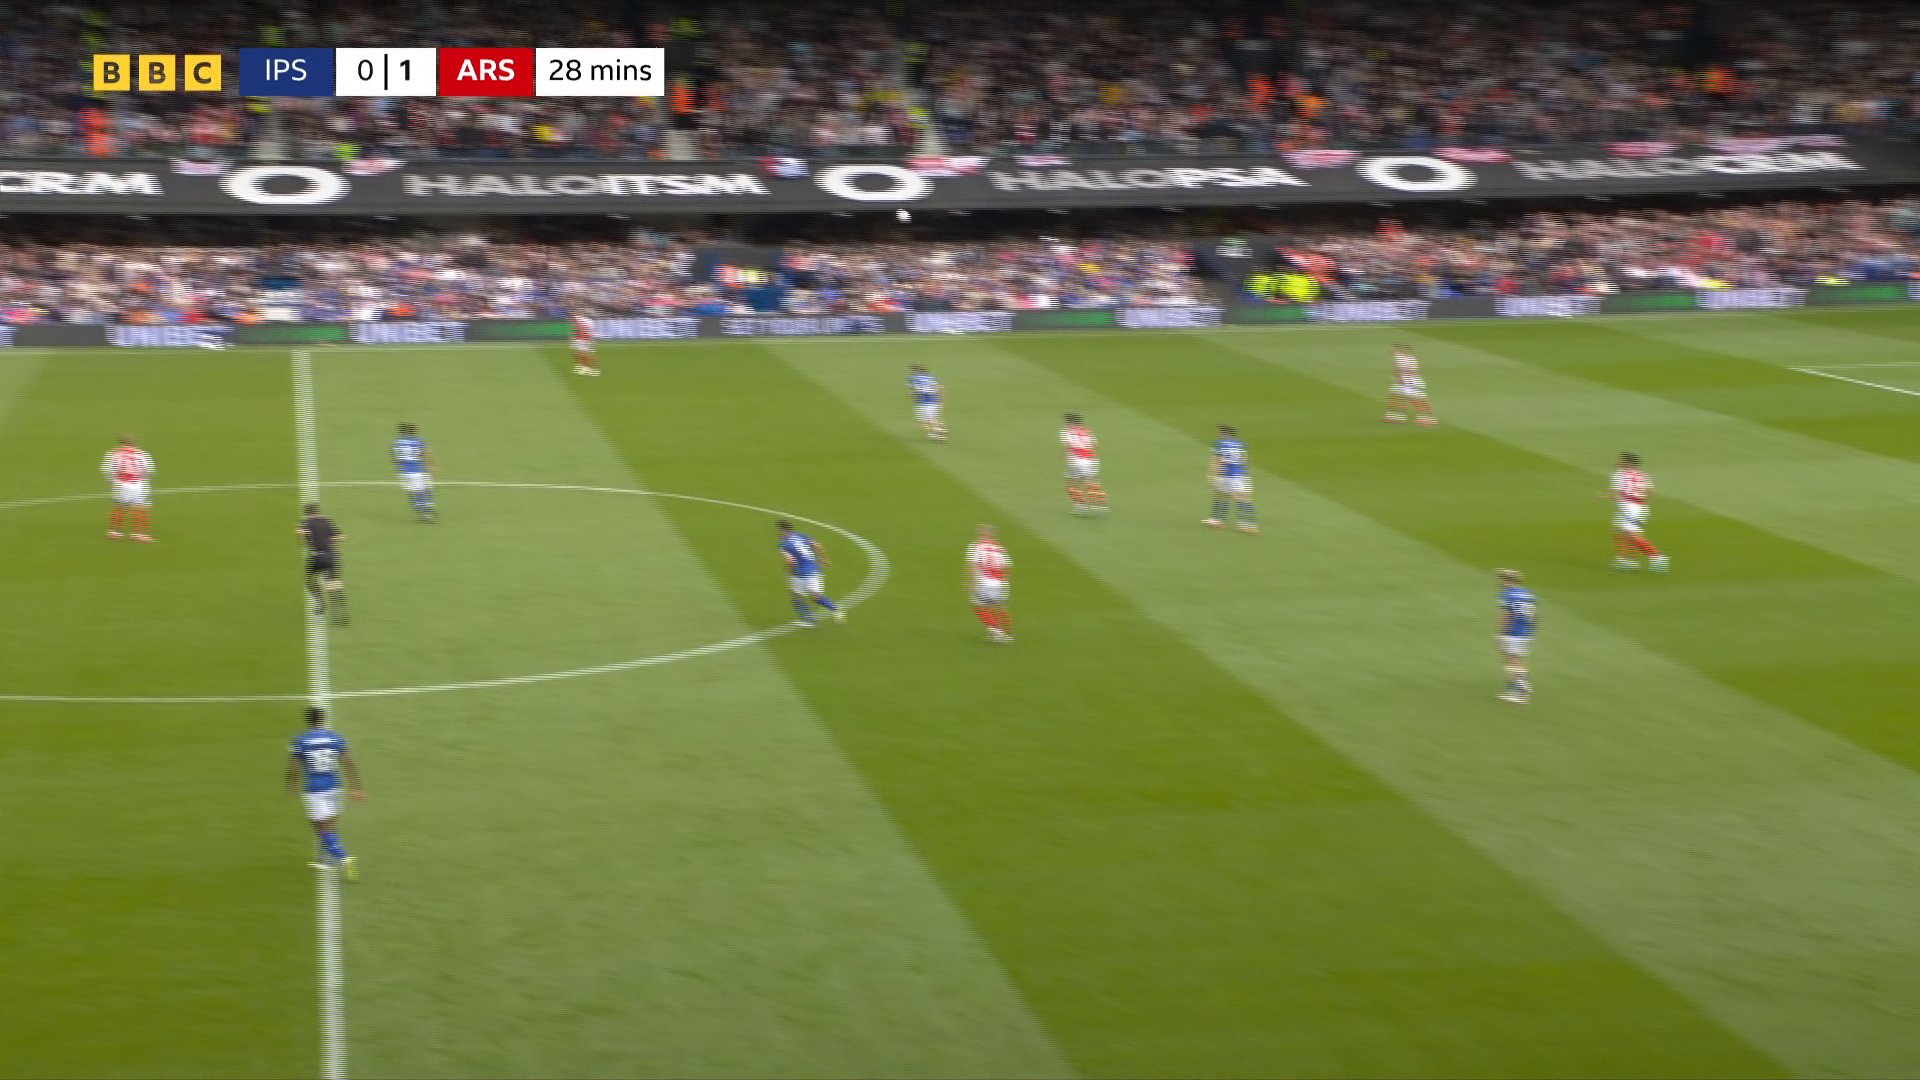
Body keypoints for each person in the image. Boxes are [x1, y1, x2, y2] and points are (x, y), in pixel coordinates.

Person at [287, 704, 363, 877]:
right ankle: (324, 861)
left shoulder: (301, 741)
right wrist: (357, 787)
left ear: (308, 721)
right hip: (335, 788)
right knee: (330, 826)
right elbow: (349, 762)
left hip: (315, 790)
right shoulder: (335, 738)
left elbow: (293, 766)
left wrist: (291, 785)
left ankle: (344, 858)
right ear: (324, 720)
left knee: (320, 827)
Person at [1607, 452, 1667, 571]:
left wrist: (1608, 497)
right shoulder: (1642, 475)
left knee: (1632, 535)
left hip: (1628, 506)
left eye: (1622, 460)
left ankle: (1655, 557)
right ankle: (1627, 560)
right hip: (1641, 506)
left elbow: (1618, 493)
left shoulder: (1620, 475)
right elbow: (1649, 492)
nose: (1619, 462)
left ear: (1628, 462)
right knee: (1623, 531)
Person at [778, 519, 843, 626]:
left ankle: (810, 619)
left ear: (782, 531)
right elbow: (817, 545)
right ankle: (833, 608)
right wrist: (823, 558)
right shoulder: (800, 535)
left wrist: (786, 570)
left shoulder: (785, 544)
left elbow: (790, 561)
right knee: (798, 594)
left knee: (811, 596)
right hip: (813, 569)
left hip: (803, 573)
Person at [299, 503, 349, 625]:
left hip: (317, 556)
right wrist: (330, 541)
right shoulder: (327, 522)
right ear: (318, 512)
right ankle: (342, 614)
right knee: (334, 584)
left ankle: (321, 603)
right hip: (331, 556)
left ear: (307, 513)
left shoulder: (306, 523)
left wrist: (304, 541)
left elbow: (300, 533)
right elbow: (342, 537)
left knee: (309, 581)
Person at [102, 434, 155, 542]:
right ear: (134, 443)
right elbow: (150, 469)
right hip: (138, 484)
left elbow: (107, 470)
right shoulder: (141, 454)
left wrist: (112, 481)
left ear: (121, 443)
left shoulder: (114, 454)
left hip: (121, 484)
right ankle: (138, 533)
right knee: (140, 508)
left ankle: (114, 532)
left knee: (120, 507)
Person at [966, 524, 1013, 643]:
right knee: (998, 607)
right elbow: (1007, 567)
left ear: (980, 534)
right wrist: (1003, 582)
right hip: (999, 582)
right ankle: (1008, 634)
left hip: (983, 581)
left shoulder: (975, 546)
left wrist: (971, 582)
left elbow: (973, 565)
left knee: (979, 607)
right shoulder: (1000, 549)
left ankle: (996, 631)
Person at [1205, 424, 1256, 533]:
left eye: (1219, 432)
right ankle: (1246, 524)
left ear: (1224, 433)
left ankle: (1221, 521)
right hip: (1238, 475)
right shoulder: (1239, 444)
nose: (1218, 434)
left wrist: (1214, 475)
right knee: (1239, 497)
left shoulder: (1222, 445)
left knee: (1223, 496)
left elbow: (1219, 461)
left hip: (1226, 475)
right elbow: (1246, 459)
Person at [1497, 568, 1536, 705]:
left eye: (1502, 579)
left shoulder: (1508, 595)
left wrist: (1502, 634)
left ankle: (1521, 693)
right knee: (1517, 660)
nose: (1501, 582)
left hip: (1513, 633)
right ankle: (1519, 686)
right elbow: (1533, 615)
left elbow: (1507, 615)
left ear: (1508, 580)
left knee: (1513, 662)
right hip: (1525, 633)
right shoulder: (1527, 594)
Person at [1062, 413, 1107, 515]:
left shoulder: (1067, 432)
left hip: (1076, 460)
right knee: (1092, 483)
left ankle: (1081, 508)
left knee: (1072, 485)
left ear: (1070, 422)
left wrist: (1067, 459)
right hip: (1090, 460)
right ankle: (1101, 507)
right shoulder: (1087, 431)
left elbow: (1067, 447)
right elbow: (1095, 445)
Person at [1384, 344, 1437, 425]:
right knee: (1396, 399)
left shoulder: (1405, 359)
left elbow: (1406, 371)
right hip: (1404, 381)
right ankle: (1396, 418)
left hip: (1409, 382)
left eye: (1394, 349)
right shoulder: (1402, 357)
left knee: (1417, 401)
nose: (1391, 350)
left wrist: (1402, 380)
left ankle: (1429, 419)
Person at [392, 422, 435, 522]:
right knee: (424, 491)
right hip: (416, 471)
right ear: (414, 432)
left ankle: (420, 508)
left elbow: (396, 459)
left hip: (404, 472)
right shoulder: (417, 442)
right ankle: (425, 513)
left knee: (416, 491)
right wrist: (432, 466)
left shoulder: (397, 444)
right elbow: (425, 454)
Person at [909, 364, 946, 440]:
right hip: (934, 401)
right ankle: (940, 429)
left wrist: (913, 392)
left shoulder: (917, 380)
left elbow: (918, 392)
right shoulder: (930, 379)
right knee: (932, 418)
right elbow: (940, 388)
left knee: (928, 420)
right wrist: (941, 399)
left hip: (926, 402)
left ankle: (939, 433)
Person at [571, 307, 600, 376]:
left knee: (583, 354)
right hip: (583, 339)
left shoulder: (580, 320)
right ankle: (584, 368)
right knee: (582, 354)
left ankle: (587, 368)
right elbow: (591, 330)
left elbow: (581, 329)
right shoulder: (588, 321)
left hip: (583, 339)